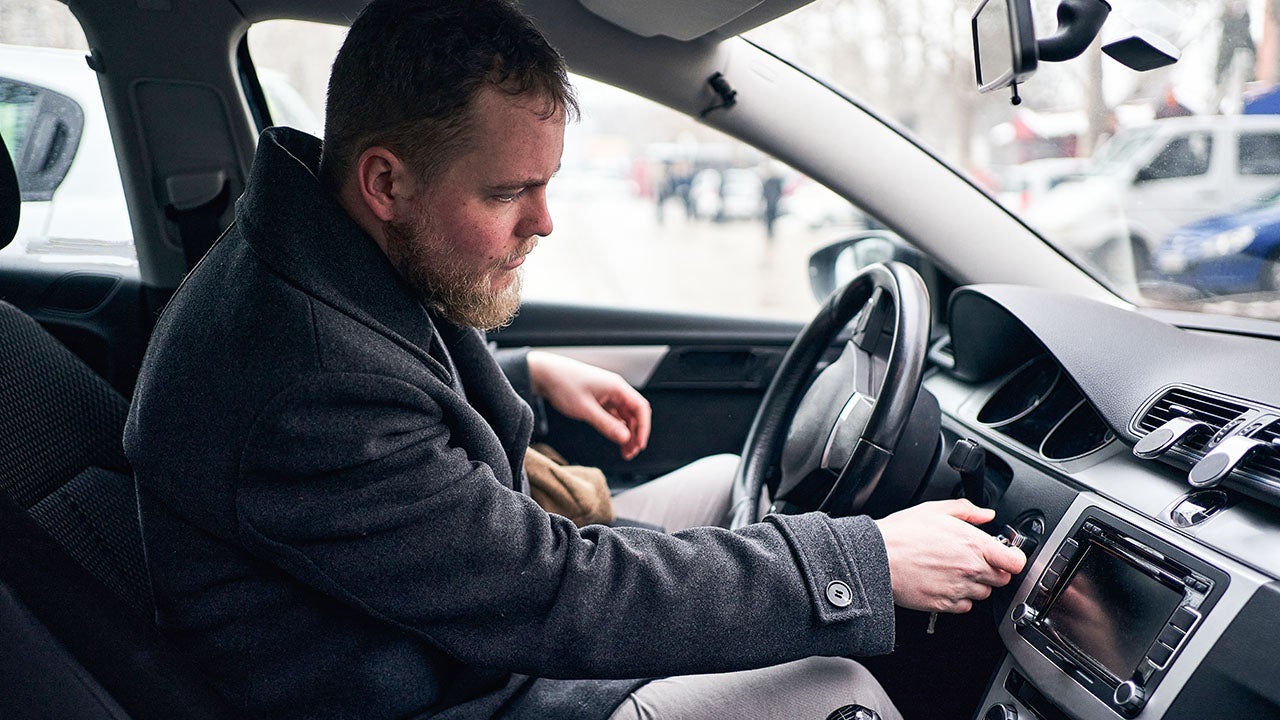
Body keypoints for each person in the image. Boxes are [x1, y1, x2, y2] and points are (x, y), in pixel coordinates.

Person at [123, 1, 1026, 718]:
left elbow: (394, 422)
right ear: (386, 182)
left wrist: (525, 381)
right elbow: (550, 593)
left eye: (548, 184)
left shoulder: (320, 258)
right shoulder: (306, 383)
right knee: (835, 692)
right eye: (510, 191)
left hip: (442, 643)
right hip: (450, 694)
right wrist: (857, 564)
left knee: (720, 483)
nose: (544, 222)